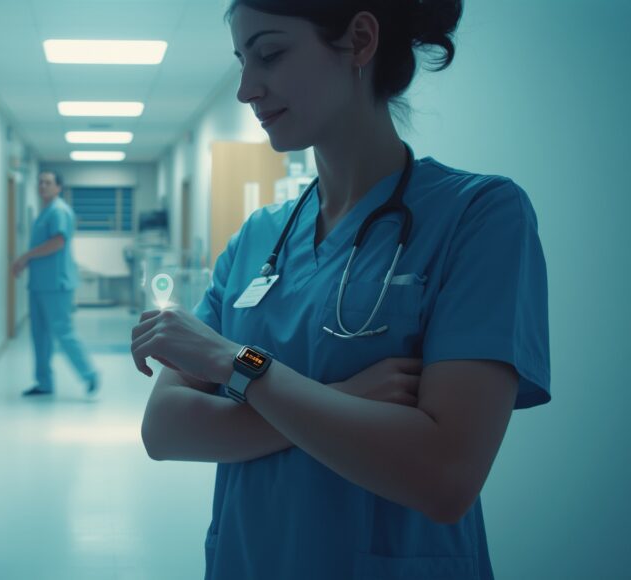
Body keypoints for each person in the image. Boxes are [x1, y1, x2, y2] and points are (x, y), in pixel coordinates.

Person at [134, 1, 550, 578]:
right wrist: (342, 397)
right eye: (241, 61)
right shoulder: (259, 237)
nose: (247, 89)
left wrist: (236, 363)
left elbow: (445, 475)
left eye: (270, 54)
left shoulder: (478, 216)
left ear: (359, 41)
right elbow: (163, 428)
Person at [12, 171, 98, 397]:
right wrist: (28, 260)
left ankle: (89, 374)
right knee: (39, 336)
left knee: (63, 331)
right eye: (40, 182)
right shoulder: (45, 212)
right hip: (39, 284)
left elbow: (57, 242)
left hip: (56, 285)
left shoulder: (59, 211)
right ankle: (44, 383)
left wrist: (25, 257)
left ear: (58, 187)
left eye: (48, 183)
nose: (43, 186)